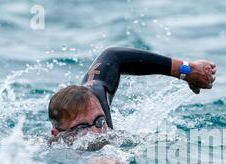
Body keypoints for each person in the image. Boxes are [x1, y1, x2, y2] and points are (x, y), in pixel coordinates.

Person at [48, 47, 216, 140]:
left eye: (100, 121)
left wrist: (186, 70)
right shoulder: (45, 152)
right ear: (56, 133)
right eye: (82, 128)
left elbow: (113, 56)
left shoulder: (96, 95)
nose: (98, 133)